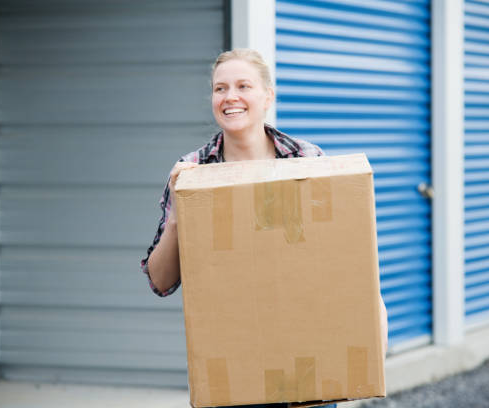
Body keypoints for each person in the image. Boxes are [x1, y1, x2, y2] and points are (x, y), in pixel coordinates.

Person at [141, 48, 386, 408]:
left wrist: (368, 338)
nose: (230, 97)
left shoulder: (307, 161)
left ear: (267, 95)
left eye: (244, 85)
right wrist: (179, 215)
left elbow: (347, 262)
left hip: (309, 368)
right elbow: (160, 282)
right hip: (236, 375)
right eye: (220, 88)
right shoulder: (192, 172)